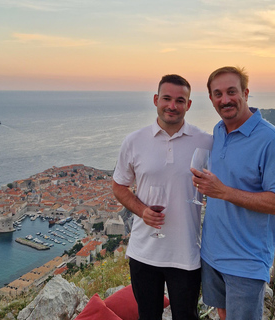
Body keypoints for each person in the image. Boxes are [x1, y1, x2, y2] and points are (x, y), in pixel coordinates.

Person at [191, 66, 275, 320]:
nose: (225, 100)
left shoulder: (272, 140)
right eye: (218, 94)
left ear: (245, 93)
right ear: (211, 99)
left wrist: (224, 192)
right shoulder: (218, 131)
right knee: (223, 314)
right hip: (212, 253)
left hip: (246, 261)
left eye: (231, 92)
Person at [113, 74, 213, 320]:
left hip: (186, 252)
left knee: (186, 316)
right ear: (156, 100)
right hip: (143, 251)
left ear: (188, 105)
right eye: (166, 98)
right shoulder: (134, 141)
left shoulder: (205, 141)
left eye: (180, 100)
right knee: (148, 316)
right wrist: (141, 210)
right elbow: (119, 186)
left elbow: (221, 185)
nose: (172, 106)